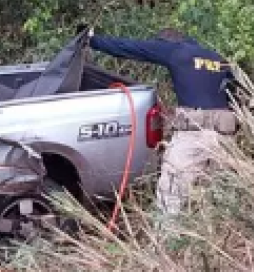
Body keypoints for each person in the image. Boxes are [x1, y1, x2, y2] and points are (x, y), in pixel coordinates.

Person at [88, 28, 237, 218]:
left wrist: (93, 40)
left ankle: (164, 242)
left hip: (192, 136)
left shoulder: (175, 50)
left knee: (171, 196)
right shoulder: (218, 58)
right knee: (222, 201)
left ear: (165, 43)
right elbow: (236, 94)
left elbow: (130, 48)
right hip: (225, 137)